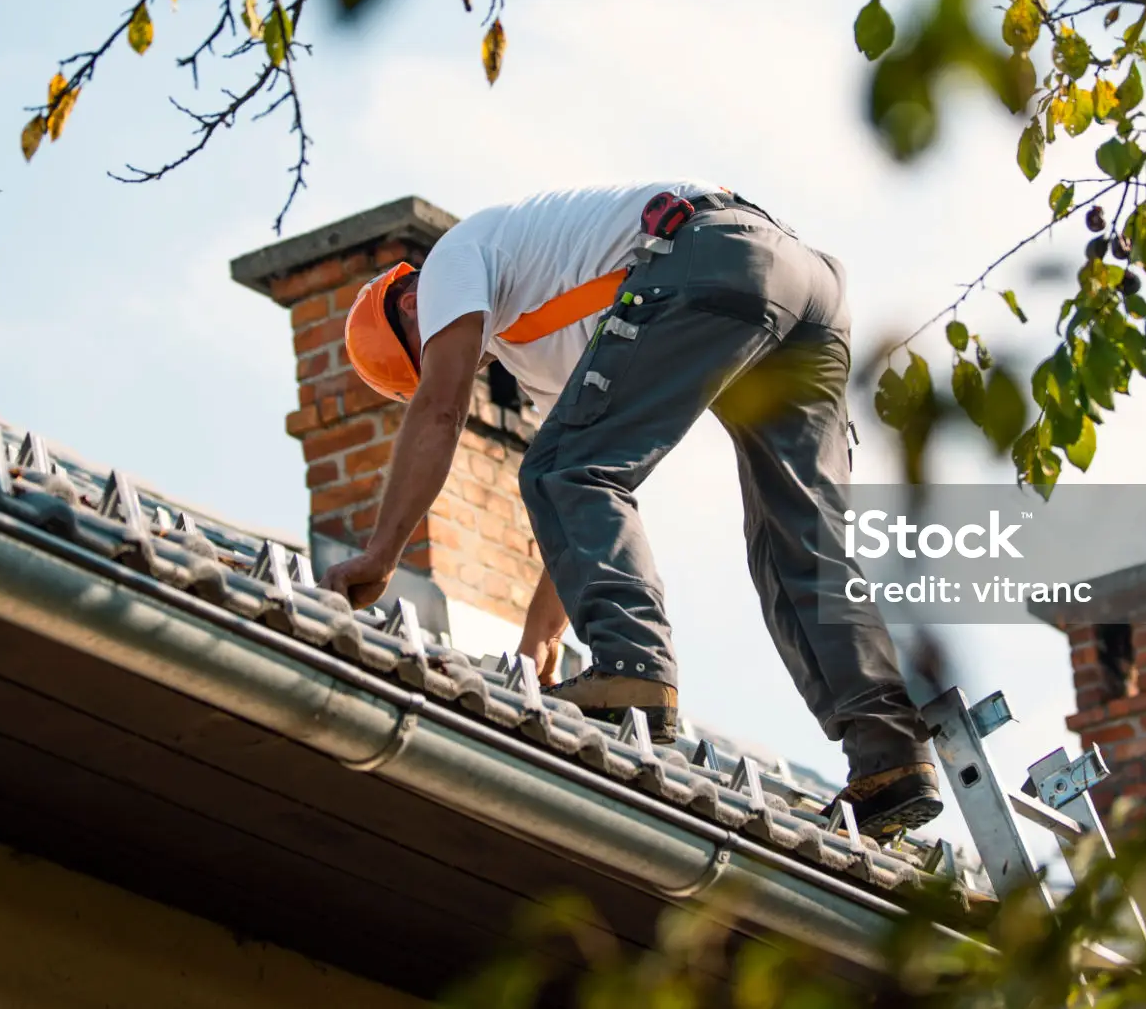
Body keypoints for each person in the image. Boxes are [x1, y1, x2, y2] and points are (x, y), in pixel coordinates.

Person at [321, 181, 943, 840]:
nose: (447, 357)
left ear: (410, 303)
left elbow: (445, 414)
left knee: (563, 468)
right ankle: (890, 756)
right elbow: (580, 499)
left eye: (424, 347)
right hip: (805, 287)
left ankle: (635, 668)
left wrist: (381, 555)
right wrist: (539, 643)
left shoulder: (450, 260)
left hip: (708, 254)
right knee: (797, 539)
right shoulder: (542, 346)